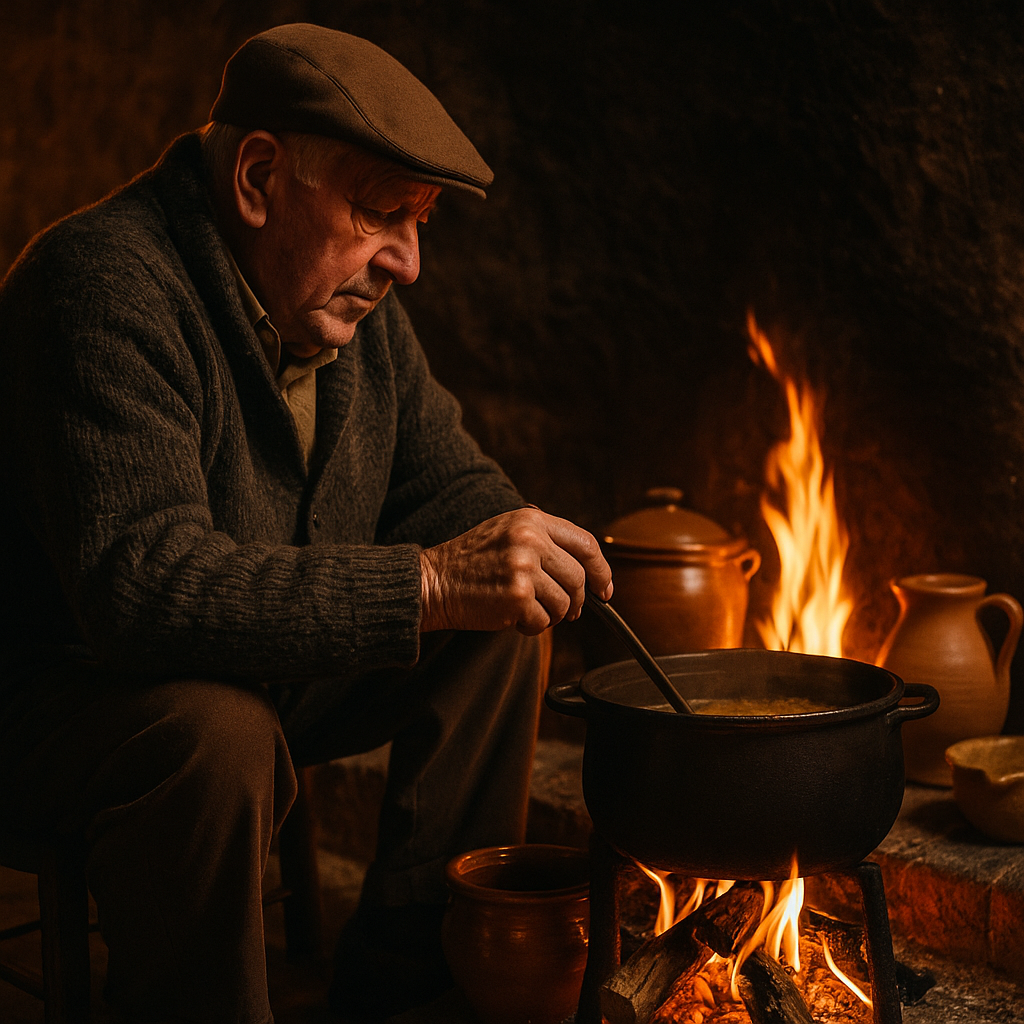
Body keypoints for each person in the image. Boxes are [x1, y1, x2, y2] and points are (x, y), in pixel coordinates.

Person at [0, 23, 612, 1024]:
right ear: (256, 177)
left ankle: (413, 985)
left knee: (502, 626)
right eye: (381, 214)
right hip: (56, 697)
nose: (407, 263)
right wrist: (425, 580)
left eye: (419, 223)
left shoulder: (345, 307)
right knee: (220, 734)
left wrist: (523, 544)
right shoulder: (101, 286)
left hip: (249, 664)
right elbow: (142, 590)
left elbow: (451, 487)